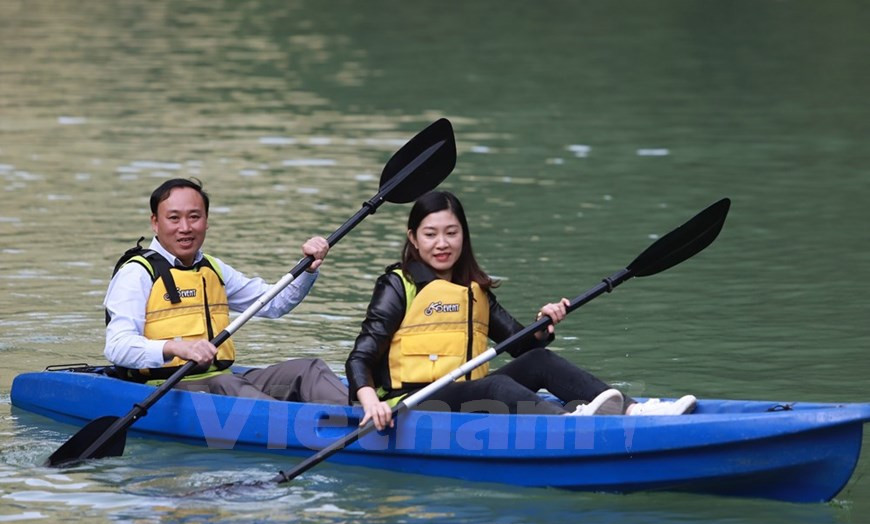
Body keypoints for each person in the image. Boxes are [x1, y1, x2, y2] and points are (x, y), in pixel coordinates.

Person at [345, 190, 697, 430]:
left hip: (467, 399)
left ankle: (634, 410)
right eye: (431, 234)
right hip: (412, 406)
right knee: (496, 385)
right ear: (413, 238)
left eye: (451, 232)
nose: (442, 243)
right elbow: (359, 358)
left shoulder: (475, 290)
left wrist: (543, 327)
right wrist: (370, 403)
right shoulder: (397, 284)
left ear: (463, 235)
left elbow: (523, 347)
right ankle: (565, 424)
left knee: (539, 362)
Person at [103, 177, 347, 404]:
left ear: (206, 221)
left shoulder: (213, 269)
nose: (185, 227)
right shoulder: (136, 273)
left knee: (309, 370)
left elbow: (275, 303)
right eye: (174, 218)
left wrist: (308, 269)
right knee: (228, 383)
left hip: (223, 378)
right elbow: (117, 347)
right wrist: (176, 347)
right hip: (162, 386)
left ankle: (365, 417)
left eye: (194, 217)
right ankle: (314, 433)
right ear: (155, 222)